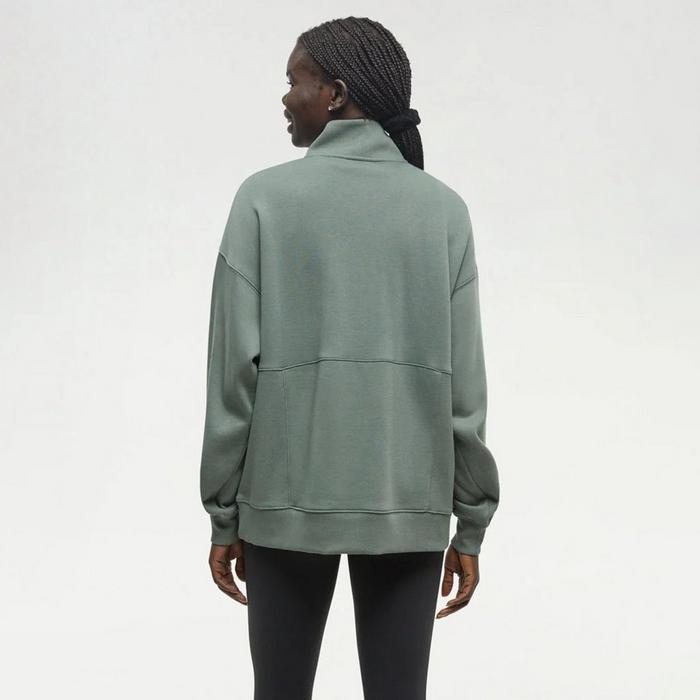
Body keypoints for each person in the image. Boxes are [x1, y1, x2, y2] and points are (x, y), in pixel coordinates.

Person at [199, 15, 500, 700]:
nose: (285, 97)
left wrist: (225, 512)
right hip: (408, 500)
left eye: (294, 81)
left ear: (334, 93)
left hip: (283, 503)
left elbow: (231, 377)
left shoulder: (264, 199)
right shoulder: (442, 210)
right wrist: (471, 518)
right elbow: (465, 388)